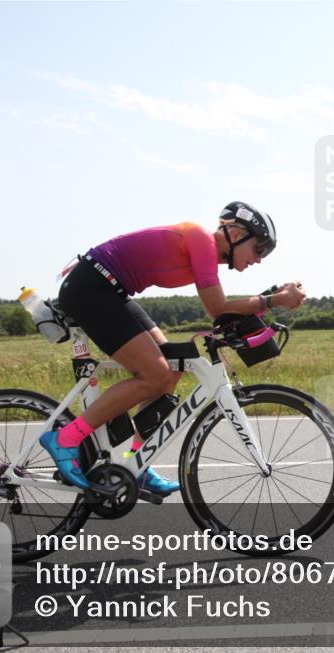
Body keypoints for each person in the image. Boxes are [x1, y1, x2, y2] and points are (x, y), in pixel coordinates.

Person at [40, 202, 306, 495]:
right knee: (154, 373)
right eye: (259, 249)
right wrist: (274, 300)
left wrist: (272, 297)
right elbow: (218, 308)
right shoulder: (201, 240)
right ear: (236, 232)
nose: (259, 259)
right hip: (92, 287)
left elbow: (220, 310)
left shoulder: (208, 253)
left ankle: (135, 462)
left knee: (170, 373)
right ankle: (66, 438)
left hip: (112, 290)